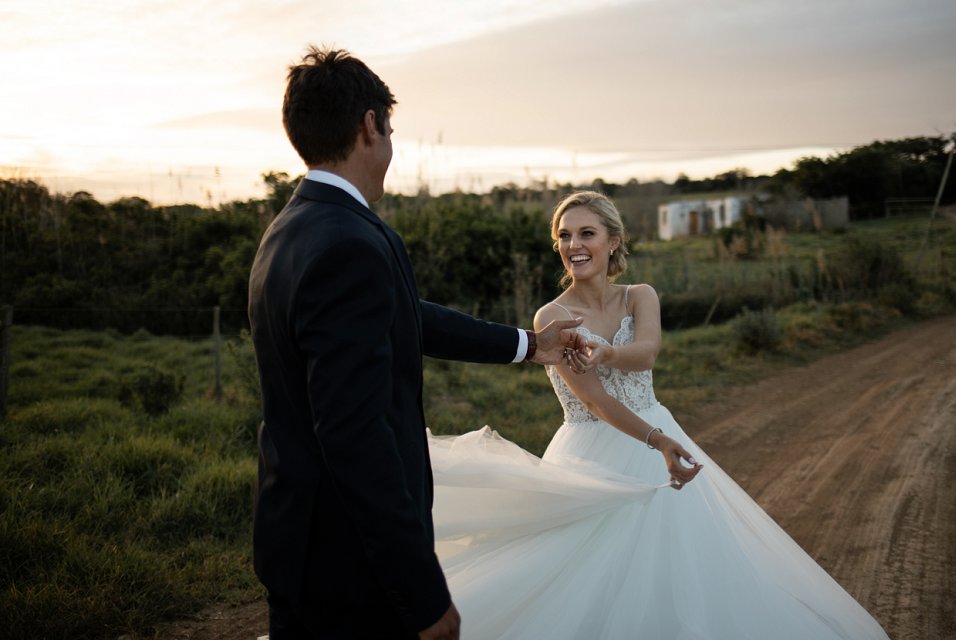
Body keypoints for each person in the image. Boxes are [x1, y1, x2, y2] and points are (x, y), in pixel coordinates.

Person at [427, 190, 891, 639]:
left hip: (656, 428)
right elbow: (595, 402)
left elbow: (647, 353)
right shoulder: (553, 314)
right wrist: (657, 439)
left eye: (586, 233)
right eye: (564, 236)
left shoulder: (639, 295)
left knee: (683, 565)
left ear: (613, 241)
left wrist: (605, 354)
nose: (574, 246)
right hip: (594, 448)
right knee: (586, 570)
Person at [247, 46, 587, 640]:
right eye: (391, 129)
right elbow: (355, 434)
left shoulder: (288, 230)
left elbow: (405, 316)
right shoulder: (349, 241)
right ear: (370, 126)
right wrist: (423, 592)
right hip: (348, 564)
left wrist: (530, 346)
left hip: (294, 534)